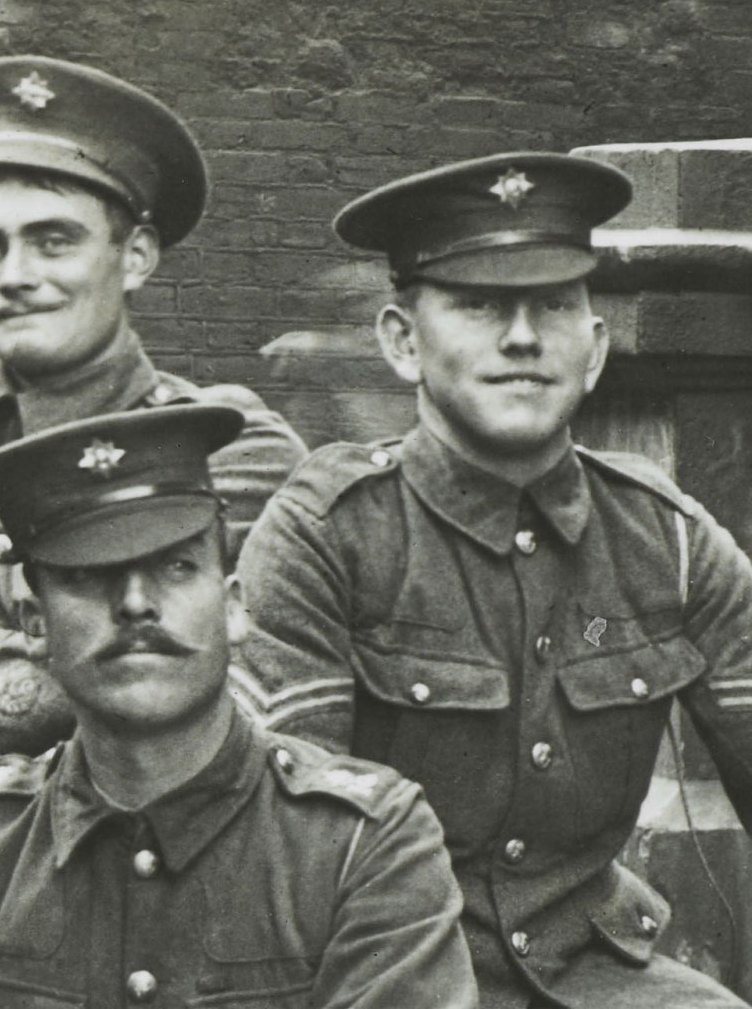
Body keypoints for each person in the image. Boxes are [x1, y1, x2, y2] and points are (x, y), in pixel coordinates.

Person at [234, 152, 752, 1008]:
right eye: (479, 304)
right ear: (402, 342)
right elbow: (289, 853)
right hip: (381, 971)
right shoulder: (329, 533)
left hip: (599, 972)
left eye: (553, 304)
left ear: (594, 347)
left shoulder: (669, 538)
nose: (522, 337)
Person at [0, 54, 305, 910]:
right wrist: (8, 654)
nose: (14, 276)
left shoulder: (231, 447)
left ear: (135, 257)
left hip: (153, 891)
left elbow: (208, 685)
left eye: (53, 240)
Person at [0, 404, 476, 1009]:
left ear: (233, 608)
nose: (137, 604)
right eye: (88, 576)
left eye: (174, 565)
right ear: (35, 625)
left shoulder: (362, 843)